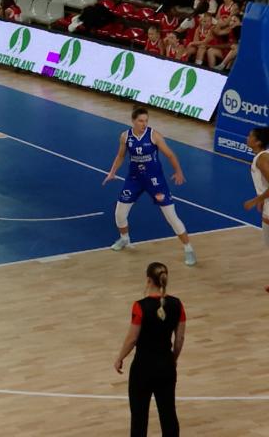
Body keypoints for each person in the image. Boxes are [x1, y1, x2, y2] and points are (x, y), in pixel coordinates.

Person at [104, 107, 195, 266]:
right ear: (133, 121)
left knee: (171, 217)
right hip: (134, 180)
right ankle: (125, 239)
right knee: (119, 213)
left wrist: (178, 171)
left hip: (155, 181)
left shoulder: (154, 135)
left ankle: (188, 249)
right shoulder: (125, 136)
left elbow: (170, 154)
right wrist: (112, 172)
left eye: (146, 121)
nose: (144, 124)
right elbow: (120, 156)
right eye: (141, 121)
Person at [114, 262, 185, 437]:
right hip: (166, 366)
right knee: (168, 414)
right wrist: (173, 359)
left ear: (148, 280)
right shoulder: (177, 304)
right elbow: (180, 338)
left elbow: (132, 339)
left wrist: (119, 357)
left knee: (139, 417)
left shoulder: (140, 306)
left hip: (143, 368)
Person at [242, 126, 269, 292]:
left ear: (257, 141)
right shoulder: (261, 157)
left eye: (250, 136)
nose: (247, 137)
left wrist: (255, 200)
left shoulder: (262, 159)